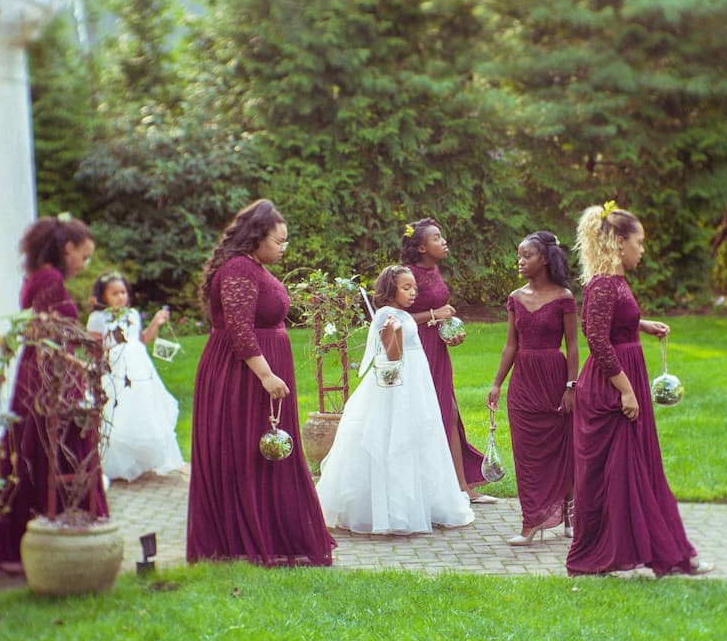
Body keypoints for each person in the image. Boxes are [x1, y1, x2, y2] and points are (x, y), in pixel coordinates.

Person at [565, 203, 713, 577]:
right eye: (639, 242)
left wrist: (641, 325)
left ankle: (671, 552)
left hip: (621, 379)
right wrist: (626, 392)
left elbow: (611, 324)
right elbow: (596, 339)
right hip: (610, 390)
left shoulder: (613, 282)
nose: (642, 250)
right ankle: (661, 555)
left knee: (640, 471)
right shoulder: (603, 283)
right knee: (625, 474)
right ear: (619, 241)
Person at [186, 199, 336, 566]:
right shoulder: (238, 268)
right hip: (241, 375)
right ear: (257, 237)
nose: (283, 248)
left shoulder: (253, 267)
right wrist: (266, 374)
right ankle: (242, 538)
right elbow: (238, 328)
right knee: (247, 453)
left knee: (267, 454)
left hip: (255, 371)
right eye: (279, 240)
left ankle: (272, 532)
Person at [0, 215, 109, 573]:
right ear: (67, 248)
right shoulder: (50, 279)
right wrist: (82, 364)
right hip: (48, 376)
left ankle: (24, 543)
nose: (85, 264)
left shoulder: (39, 277)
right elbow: (43, 335)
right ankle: (41, 539)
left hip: (41, 372)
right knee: (44, 452)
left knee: (34, 451)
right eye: (84, 255)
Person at [318, 266, 475, 534]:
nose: (413, 292)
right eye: (406, 287)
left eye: (414, 287)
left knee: (419, 438)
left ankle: (424, 502)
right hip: (396, 388)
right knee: (394, 438)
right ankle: (392, 511)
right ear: (390, 289)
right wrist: (396, 333)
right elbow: (391, 358)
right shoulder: (385, 316)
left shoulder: (401, 314)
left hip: (416, 384)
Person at [487, 232, 579, 545]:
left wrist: (571, 387)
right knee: (526, 455)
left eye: (527, 256)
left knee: (562, 449)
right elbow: (510, 344)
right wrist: (497, 383)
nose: (520, 261)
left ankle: (570, 514)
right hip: (523, 382)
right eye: (519, 256)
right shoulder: (515, 298)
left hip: (554, 379)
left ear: (544, 259)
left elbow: (574, 345)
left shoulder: (565, 297)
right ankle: (531, 523)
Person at [401, 218, 497, 505]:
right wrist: (434, 315)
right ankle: (427, 488)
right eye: (436, 238)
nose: (443, 242)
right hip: (414, 350)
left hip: (437, 349)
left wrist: (449, 330)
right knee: (428, 413)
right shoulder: (407, 274)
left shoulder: (435, 269)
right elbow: (392, 316)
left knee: (450, 412)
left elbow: (438, 313)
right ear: (420, 247)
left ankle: (462, 486)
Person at [86, 272, 184, 482]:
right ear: (103, 297)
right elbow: (94, 347)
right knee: (116, 410)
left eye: (123, 292)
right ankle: (113, 461)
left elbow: (141, 340)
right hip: (114, 368)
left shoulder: (132, 314)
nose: (121, 297)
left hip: (139, 368)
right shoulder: (98, 318)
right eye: (114, 293)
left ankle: (140, 459)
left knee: (141, 410)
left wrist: (156, 322)